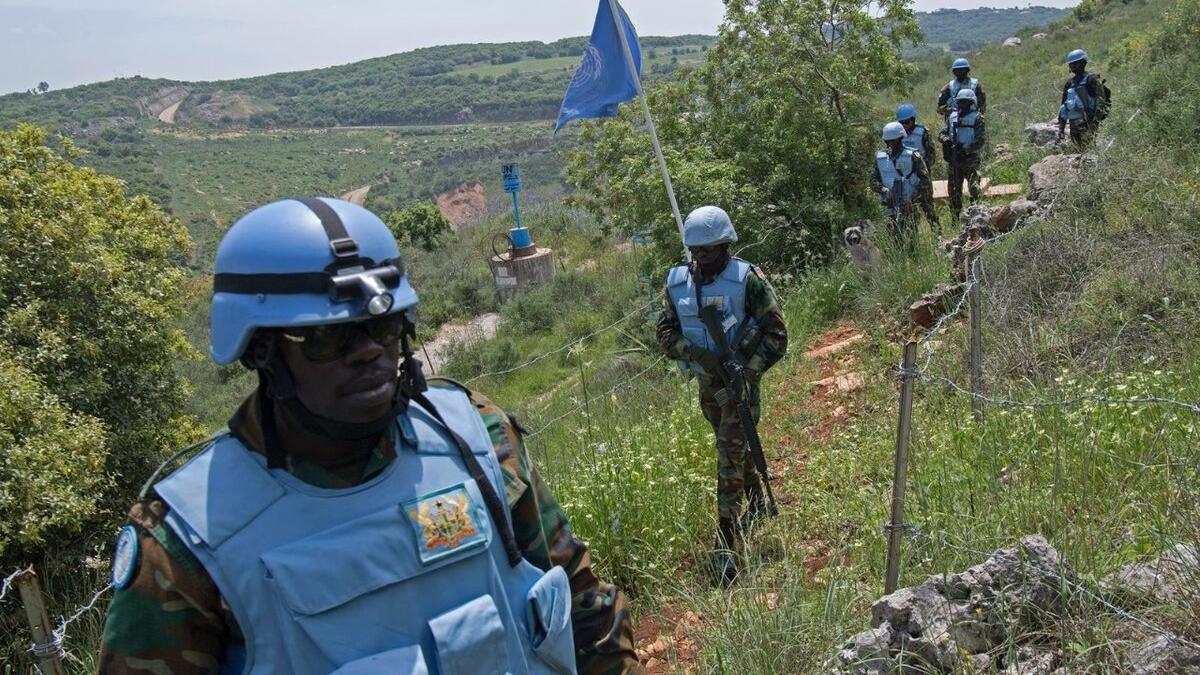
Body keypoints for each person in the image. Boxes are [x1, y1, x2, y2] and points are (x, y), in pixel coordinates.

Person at [98, 197, 640, 675]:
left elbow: (579, 600)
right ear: (261, 351)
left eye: (383, 327)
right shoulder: (188, 542)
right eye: (327, 337)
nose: (368, 351)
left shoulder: (476, 439)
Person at [655, 206, 788, 585]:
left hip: (740, 384)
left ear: (726, 246)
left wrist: (748, 371)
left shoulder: (748, 280)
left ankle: (726, 547)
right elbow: (664, 331)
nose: (702, 258)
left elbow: (777, 335)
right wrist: (695, 354)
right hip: (707, 385)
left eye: (710, 251)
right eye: (696, 251)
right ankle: (757, 502)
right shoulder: (678, 283)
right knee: (734, 447)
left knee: (728, 457)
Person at [871, 121, 932, 245]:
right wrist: (884, 190)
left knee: (911, 239)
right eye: (887, 141)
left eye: (893, 141)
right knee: (893, 240)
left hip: (909, 203)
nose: (890, 144)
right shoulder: (880, 157)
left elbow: (925, 180)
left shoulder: (913, 155)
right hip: (889, 204)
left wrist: (912, 196)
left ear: (900, 139)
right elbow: (873, 180)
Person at [896, 103, 941, 234]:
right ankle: (913, 241)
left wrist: (918, 167)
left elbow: (931, 156)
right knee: (909, 214)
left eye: (907, 122)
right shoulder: (896, 135)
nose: (905, 125)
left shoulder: (922, 132)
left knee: (928, 209)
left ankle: (938, 236)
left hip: (922, 178)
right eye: (902, 122)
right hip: (904, 180)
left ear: (913, 120)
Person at [945, 89, 987, 224]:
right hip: (954, 160)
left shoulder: (977, 117)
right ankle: (955, 220)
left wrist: (966, 151)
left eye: (965, 102)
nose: (962, 105)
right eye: (960, 102)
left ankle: (975, 218)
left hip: (971, 160)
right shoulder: (952, 117)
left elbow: (980, 140)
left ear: (971, 103)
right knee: (954, 191)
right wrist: (946, 140)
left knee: (974, 189)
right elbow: (943, 132)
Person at [1057, 49, 1107, 147]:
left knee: (1089, 149)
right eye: (1071, 64)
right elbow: (1063, 107)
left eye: (1076, 63)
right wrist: (1061, 128)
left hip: (1088, 123)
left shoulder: (1092, 79)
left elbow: (1101, 102)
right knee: (1078, 151)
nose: (1074, 66)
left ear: (1083, 63)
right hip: (1073, 125)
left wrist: (1094, 123)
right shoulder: (1069, 83)